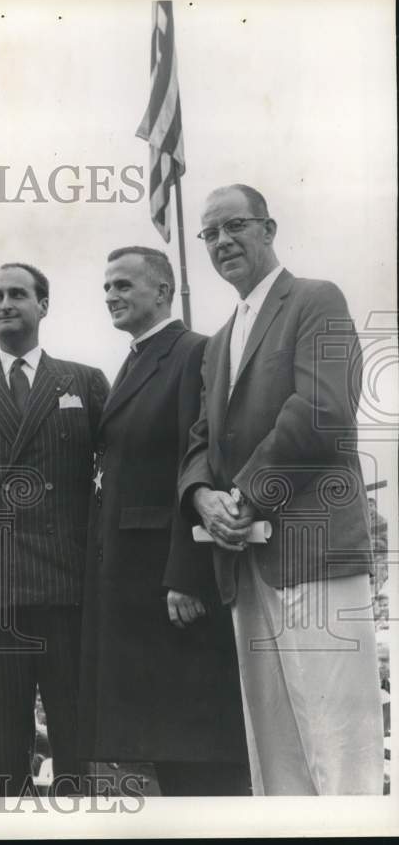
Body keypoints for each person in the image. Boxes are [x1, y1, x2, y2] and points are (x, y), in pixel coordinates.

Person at [178, 184, 383, 795]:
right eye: (209, 233)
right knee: (275, 763)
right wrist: (202, 498)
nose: (221, 241)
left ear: (268, 229)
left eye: (234, 226)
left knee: (341, 758)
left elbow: (322, 411)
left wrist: (242, 496)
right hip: (245, 564)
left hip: (314, 556)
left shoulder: (316, 299)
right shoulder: (219, 341)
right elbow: (201, 438)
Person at [77, 246, 249, 796]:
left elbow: (197, 463)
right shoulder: (136, 358)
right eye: (107, 287)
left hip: (169, 583)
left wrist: (188, 573)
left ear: (163, 291)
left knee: (195, 749)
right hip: (133, 580)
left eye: (124, 285)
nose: (111, 295)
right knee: (165, 743)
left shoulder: (192, 352)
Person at [0, 262, 109, 796]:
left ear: (43, 305)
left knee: (75, 745)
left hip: (67, 588)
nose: (5, 304)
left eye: (17, 294)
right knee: (6, 753)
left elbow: (112, 477)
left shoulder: (83, 382)